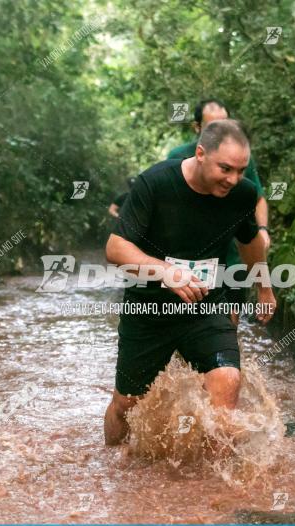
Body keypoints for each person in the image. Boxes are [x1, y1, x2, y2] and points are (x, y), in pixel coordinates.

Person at [103, 119, 276, 445]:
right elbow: (115, 248)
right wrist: (166, 272)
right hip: (148, 308)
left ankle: (214, 489)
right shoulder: (154, 184)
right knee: (126, 405)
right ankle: (111, 466)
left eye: (241, 170)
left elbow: (251, 244)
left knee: (226, 384)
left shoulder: (242, 194)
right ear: (200, 153)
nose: (233, 179)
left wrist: (264, 287)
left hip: (206, 306)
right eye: (225, 169)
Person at [167, 99, 270, 323]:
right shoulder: (177, 157)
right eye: (212, 126)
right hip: (188, 256)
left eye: (225, 123)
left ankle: (226, 354)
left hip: (232, 253)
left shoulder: (241, 157)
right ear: (197, 128)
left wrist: (262, 229)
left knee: (228, 321)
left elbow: (257, 198)